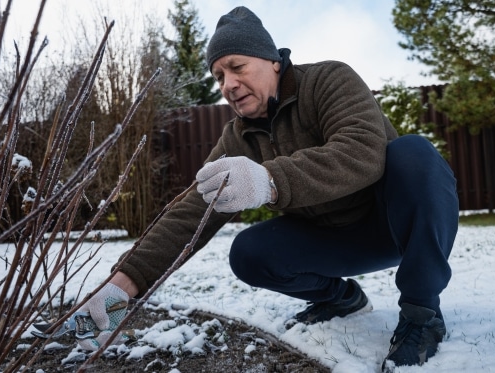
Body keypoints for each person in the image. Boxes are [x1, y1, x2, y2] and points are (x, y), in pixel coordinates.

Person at [78, 6, 459, 371]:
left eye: (236, 67)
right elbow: (193, 210)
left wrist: (271, 180)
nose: (228, 84)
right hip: (336, 245)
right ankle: (342, 299)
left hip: (393, 226)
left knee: (414, 153)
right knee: (249, 252)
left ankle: (421, 313)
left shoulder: (328, 81)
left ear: (273, 60)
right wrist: (122, 287)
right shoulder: (237, 138)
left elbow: (362, 151)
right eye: (218, 76)